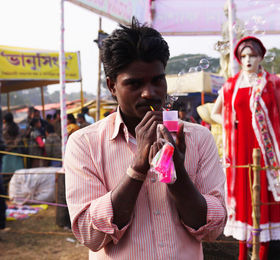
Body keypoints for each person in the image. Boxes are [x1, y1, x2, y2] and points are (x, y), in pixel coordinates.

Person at [65, 18, 227, 259]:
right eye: (134, 83)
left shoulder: (198, 137)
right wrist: (138, 167)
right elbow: (91, 236)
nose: (149, 93)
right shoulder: (84, 143)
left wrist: (178, 173)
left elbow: (213, 230)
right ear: (112, 86)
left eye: (157, 80)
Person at [211, 36, 280, 260]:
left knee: (264, 203)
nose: (248, 60)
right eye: (243, 56)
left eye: (252, 55)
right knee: (242, 203)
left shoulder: (273, 83)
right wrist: (231, 124)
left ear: (261, 57)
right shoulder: (231, 84)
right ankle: (242, 255)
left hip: (266, 154)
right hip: (240, 153)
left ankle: (262, 255)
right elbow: (215, 112)